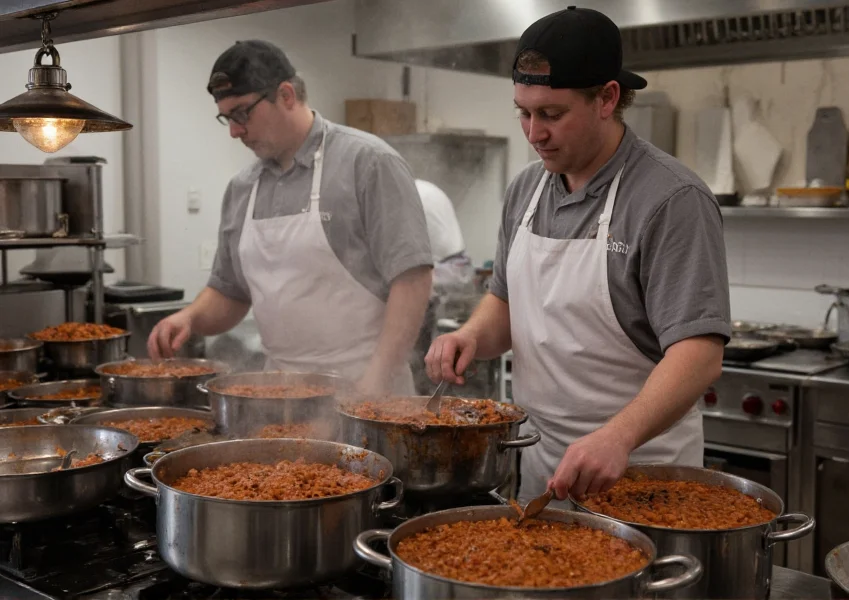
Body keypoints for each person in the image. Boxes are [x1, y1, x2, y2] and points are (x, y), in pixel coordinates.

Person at [425, 7, 731, 504]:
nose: (533, 133)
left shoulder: (670, 200)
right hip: (541, 468)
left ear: (607, 98)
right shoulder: (527, 189)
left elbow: (699, 357)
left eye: (551, 114)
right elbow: (504, 305)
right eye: (523, 112)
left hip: (640, 475)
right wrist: (469, 335)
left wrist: (618, 436)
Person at [148, 40, 433, 395]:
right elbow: (230, 293)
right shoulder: (243, 188)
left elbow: (413, 280)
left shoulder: (368, 163)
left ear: (285, 95)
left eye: (241, 114)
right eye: (227, 118)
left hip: (366, 387)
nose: (234, 131)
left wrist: (375, 380)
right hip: (279, 396)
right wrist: (189, 318)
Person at [410, 179, 476, 393]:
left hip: (443, 274)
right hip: (457, 268)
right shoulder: (424, 188)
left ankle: (428, 393)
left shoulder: (407, 195)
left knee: (426, 352)